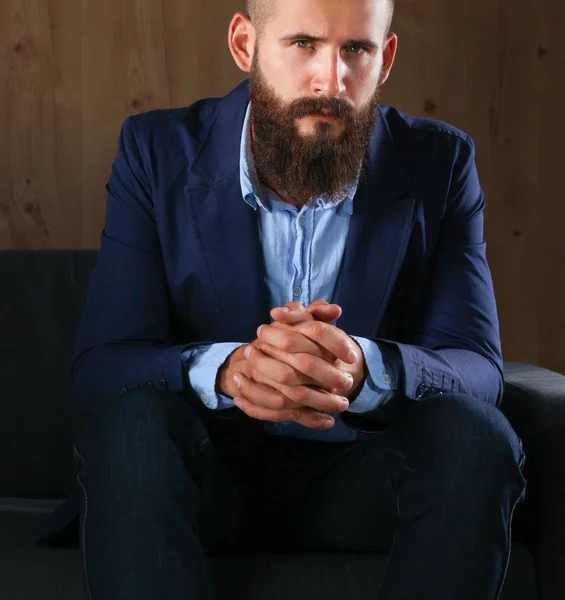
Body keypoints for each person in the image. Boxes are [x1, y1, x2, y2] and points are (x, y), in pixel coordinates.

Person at [41, 0, 527, 598]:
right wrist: (228, 372)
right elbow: (101, 368)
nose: (332, 80)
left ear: (387, 57)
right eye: (303, 44)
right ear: (245, 45)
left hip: (366, 482)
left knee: (478, 433)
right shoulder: (155, 152)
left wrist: (366, 368)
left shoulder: (441, 162)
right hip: (204, 482)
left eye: (357, 50)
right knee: (132, 423)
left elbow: (479, 369)